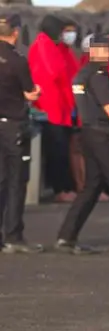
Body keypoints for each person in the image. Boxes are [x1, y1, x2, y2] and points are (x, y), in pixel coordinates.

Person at [55, 34, 109, 255]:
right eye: (103, 49)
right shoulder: (99, 76)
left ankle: (67, 236)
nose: (107, 54)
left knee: (92, 186)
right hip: (103, 135)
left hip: (88, 133)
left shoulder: (81, 75)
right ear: (92, 51)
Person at [0, 13, 44, 254]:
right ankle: (14, 235)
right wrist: (36, 92)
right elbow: (30, 93)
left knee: (1, 179)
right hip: (13, 125)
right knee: (17, 180)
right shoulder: (16, 60)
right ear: (15, 31)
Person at [29, 15, 77, 203]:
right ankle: (60, 189)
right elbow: (54, 72)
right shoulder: (44, 46)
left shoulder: (59, 48)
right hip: (50, 107)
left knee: (63, 148)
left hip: (63, 106)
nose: (69, 35)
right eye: (66, 31)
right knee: (56, 150)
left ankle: (65, 186)